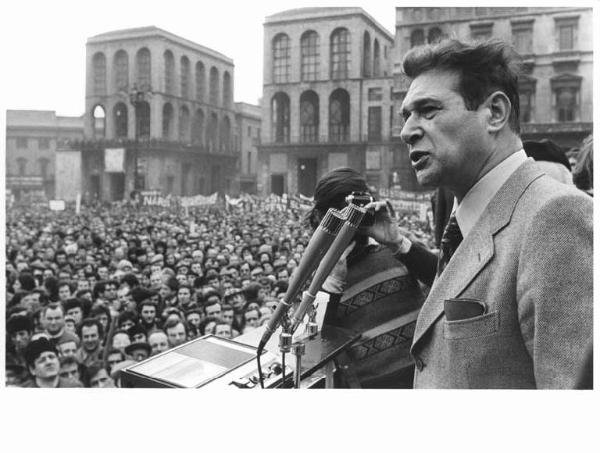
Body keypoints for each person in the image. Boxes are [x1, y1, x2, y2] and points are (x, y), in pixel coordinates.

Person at [365, 39, 592, 388]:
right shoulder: (467, 219)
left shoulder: (557, 216)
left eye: (428, 110)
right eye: (406, 115)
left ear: (495, 113)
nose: (407, 131)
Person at [308, 167, 425, 388]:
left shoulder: (397, 245)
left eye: (357, 210)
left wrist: (398, 242)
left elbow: (445, 279)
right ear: (322, 218)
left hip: (426, 374)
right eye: (342, 213)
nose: (351, 223)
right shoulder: (315, 272)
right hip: (372, 385)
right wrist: (331, 284)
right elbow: (312, 349)